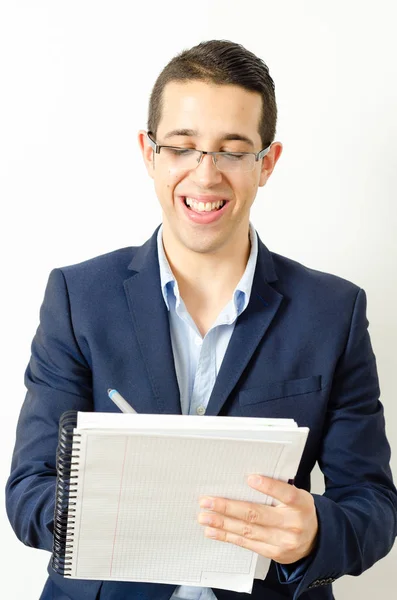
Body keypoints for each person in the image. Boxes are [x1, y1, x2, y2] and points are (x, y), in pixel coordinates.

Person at [6, 39, 397, 600]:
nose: (205, 174)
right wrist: (97, 513)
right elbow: (28, 491)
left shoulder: (333, 312)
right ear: (149, 153)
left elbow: (373, 504)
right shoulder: (77, 298)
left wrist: (314, 533)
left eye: (233, 151)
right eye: (182, 147)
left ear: (267, 163)